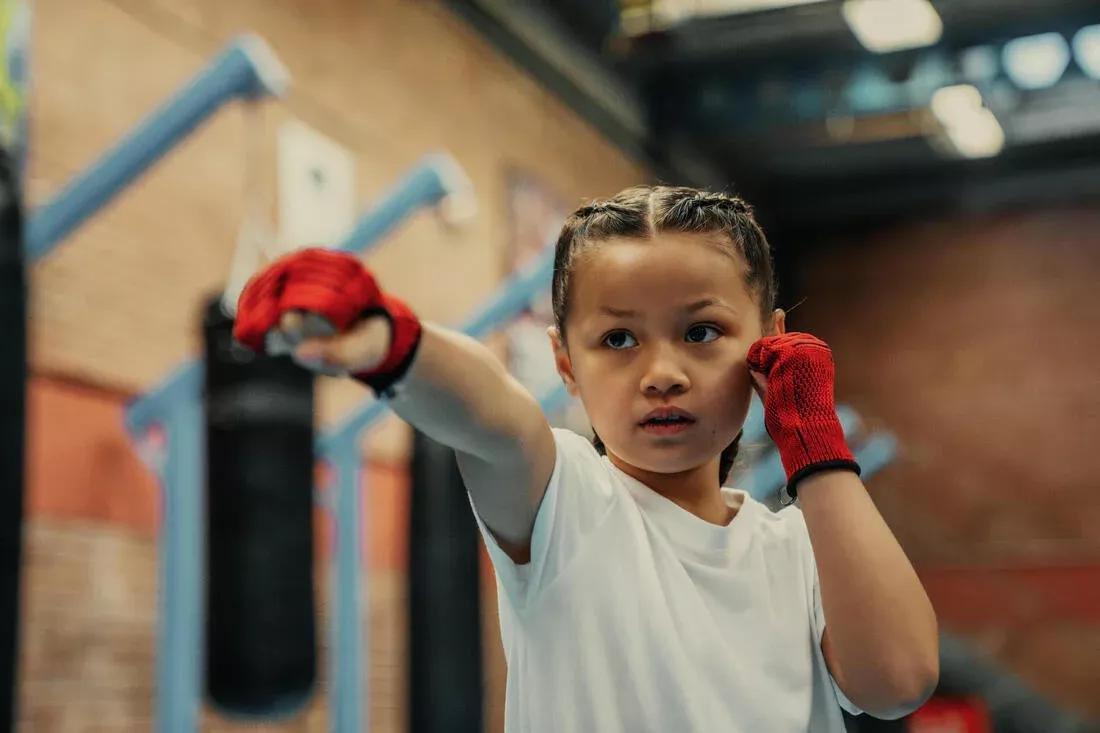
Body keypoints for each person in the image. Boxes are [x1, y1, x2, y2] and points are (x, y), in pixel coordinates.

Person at [233, 185, 939, 732]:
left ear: (770, 342)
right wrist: (394, 343)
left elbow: (898, 677)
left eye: (702, 330)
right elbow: (495, 414)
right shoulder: (566, 502)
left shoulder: (801, 548)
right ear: (565, 365)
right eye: (620, 340)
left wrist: (814, 437)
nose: (662, 371)